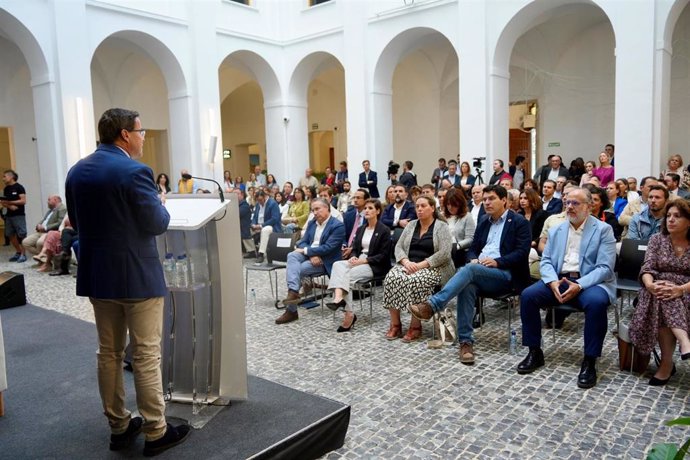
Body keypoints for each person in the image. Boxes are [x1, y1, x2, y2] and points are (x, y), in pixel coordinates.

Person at [65, 108, 190, 455]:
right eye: (141, 130)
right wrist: (161, 203)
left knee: (108, 353)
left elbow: (76, 220)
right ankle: (155, 431)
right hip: (136, 276)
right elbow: (156, 223)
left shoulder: (77, 171)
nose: (144, 136)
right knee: (147, 354)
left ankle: (119, 426)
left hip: (98, 275)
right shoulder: (135, 171)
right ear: (124, 134)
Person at [409, 185, 531, 365]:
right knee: (467, 282)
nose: (487, 202)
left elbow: (522, 252)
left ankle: (432, 305)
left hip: (505, 274)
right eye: (485, 199)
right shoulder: (484, 220)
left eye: (491, 199)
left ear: (504, 200)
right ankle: (466, 341)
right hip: (480, 271)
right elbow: (473, 249)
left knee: (467, 271)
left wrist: (498, 261)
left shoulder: (519, 222)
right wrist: (473, 259)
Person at [516, 187, 616, 389]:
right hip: (559, 280)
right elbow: (546, 262)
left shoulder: (603, 230)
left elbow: (605, 268)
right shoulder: (556, 230)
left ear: (588, 206)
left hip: (589, 282)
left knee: (597, 303)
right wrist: (552, 281)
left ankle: (590, 360)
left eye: (575, 203)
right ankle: (534, 351)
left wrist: (579, 285)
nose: (570, 207)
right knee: (528, 296)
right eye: (567, 203)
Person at [629, 200, 690, 386]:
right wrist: (650, 285)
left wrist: (680, 289)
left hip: (687, 288)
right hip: (657, 289)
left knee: (667, 296)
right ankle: (684, 342)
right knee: (663, 293)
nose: (671, 220)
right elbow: (647, 267)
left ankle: (666, 364)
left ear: (689, 221)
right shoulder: (657, 239)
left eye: (677, 216)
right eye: (668, 216)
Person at [383, 195, 454, 342]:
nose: (419, 209)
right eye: (417, 206)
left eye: (423, 206)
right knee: (391, 278)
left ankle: (415, 326)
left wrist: (421, 265)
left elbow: (444, 253)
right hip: (409, 263)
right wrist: (406, 261)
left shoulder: (442, 227)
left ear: (432, 208)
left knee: (416, 281)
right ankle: (395, 324)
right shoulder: (411, 225)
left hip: (434, 266)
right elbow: (399, 246)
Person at [275, 198, 345, 324]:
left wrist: (309, 252)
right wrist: (311, 253)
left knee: (300, 270)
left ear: (327, 208)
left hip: (327, 260)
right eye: (313, 210)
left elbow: (329, 247)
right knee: (292, 255)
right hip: (311, 255)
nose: (315, 212)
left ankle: (291, 310)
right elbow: (303, 241)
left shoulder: (337, 225)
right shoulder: (313, 223)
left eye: (317, 209)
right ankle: (293, 292)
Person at [327, 199, 392, 332]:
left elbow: (383, 255)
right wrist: (354, 256)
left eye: (370, 208)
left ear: (378, 211)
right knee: (337, 265)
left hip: (374, 265)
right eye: (365, 208)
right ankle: (338, 297)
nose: (366, 210)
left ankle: (349, 315)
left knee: (347, 277)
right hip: (359, 260)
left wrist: (364, 260)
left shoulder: (384, 230)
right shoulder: (361, 228)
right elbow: (356, 248)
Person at [443, 187, 475, 268]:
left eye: (454, 204)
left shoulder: (467, 216)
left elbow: (470, 239)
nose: (450, 207)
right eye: (448, 204)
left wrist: (456, 246)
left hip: (459, 252)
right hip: (444, 251)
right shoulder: (442, 217)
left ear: (460, 204)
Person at [0, 169, 27, 262]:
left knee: (21, 234)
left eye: (5, 176)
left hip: (19, 215)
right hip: (9, 215)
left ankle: (24, 254)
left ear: (11, 177)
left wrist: (10, 202)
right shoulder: (6, 189)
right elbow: (3, 202)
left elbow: (23, 201)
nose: (3, 178)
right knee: (9, 234)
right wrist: (9, 206)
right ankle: (18, 252)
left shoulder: (19, 187)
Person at [251, 190, 282, 264]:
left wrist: (261, 226)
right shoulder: (258, 204)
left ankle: (261, 254)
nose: (260, 202)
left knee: (265, 230)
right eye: (258, 200)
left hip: (271, 226)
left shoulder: (273, 203)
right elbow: (255, 216)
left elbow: (275, 219)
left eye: (261, 200)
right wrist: (253, 224)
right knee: (246, 229)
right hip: (258, 225)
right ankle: (251, 251)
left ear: (265, 197)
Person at [236, 189, 256, 258]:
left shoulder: (244, 205)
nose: (235, 196)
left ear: (242, 195)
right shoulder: (237, 205)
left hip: (246, 227)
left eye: (237, 194)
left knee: (244, 229)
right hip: (239, 227)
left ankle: (251, 251)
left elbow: (237, 214)